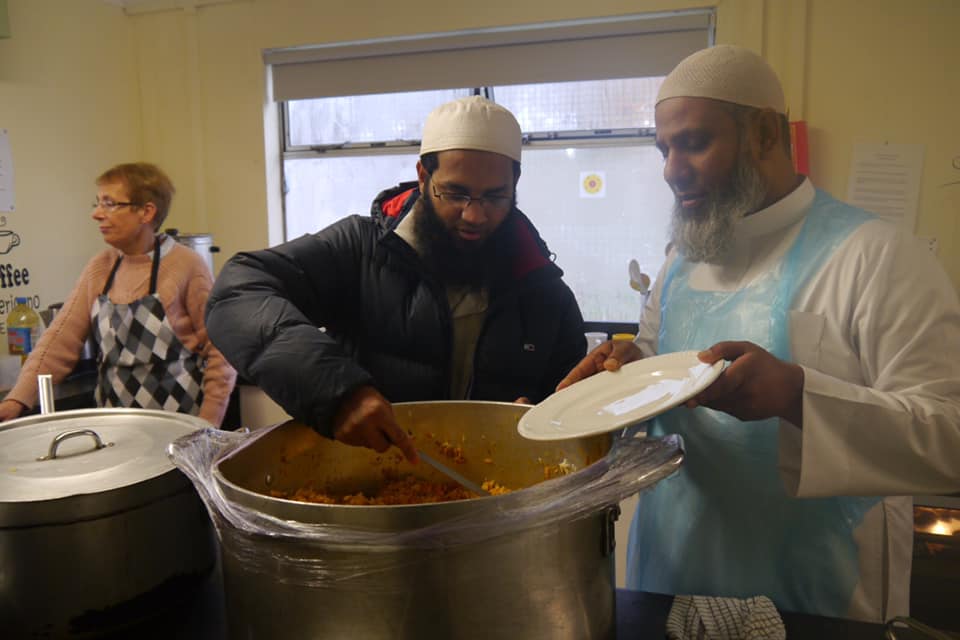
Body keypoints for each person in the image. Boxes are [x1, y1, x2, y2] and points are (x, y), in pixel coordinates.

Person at [557, 45, 960, 622]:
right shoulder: (681, 260)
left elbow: (950, 435)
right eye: (664, 149)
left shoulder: (875, 257)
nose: (672, 169)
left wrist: (798, 395)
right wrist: (625, 366)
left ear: (767, 135)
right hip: (673, 581)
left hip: (815, 598)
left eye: (694, 143)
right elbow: (660, 361)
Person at [206, 96, 586, 463]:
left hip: (500, 494)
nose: (474, 215)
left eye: (495, 197)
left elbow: (568, 408)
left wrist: (546, 415)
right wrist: (337, 391)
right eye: (455, 193)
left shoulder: (544, 291)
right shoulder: (360, 252)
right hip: (372, 495)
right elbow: (237, 290)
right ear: (423, 176)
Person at [0, 163, 236, 426]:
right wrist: (16, 399)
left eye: (110, 204)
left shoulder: (186, 266)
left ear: (146, 212)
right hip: (115, 430)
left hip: (180, 429)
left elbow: (222, 351)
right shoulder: (100, 268)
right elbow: (58, 340)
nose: (97, 214)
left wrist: (207, 425)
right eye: (97, 203)